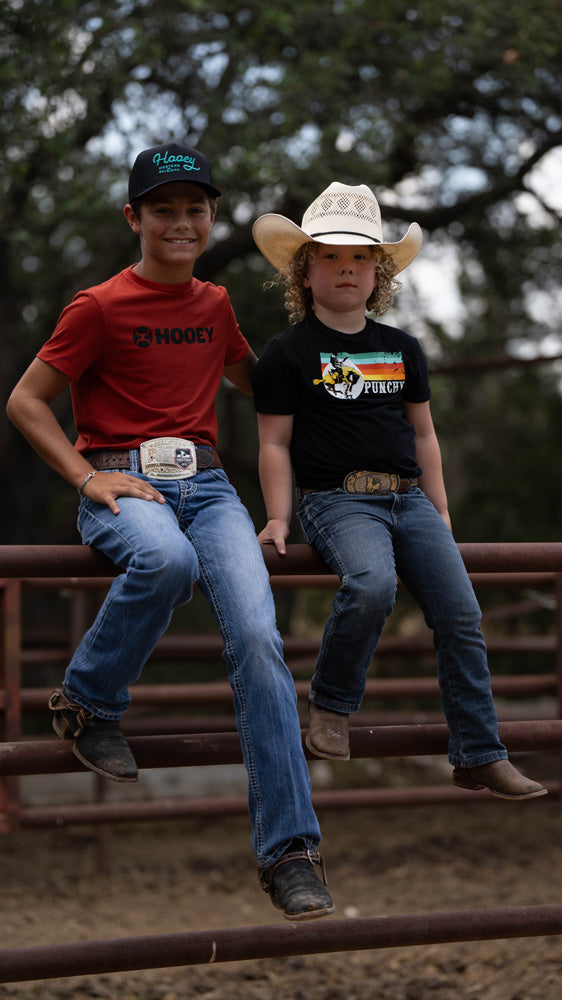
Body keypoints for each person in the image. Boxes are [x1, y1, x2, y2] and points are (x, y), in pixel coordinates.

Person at [6, 142, 336, 920]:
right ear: (135, 217)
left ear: (212, 216)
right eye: (164, 209)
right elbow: (24, 401)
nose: (181, 222)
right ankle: (88, 700)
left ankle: (291, 852)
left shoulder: (215, 306)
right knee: (165, 561)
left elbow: (263, 384)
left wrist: (344, 358)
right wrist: (87, 477)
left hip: (210, 484)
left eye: (195, 209)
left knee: (259, 637)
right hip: (123, 479)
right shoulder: (97, 307)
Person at [250, 181, 546, 801]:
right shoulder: (286, 353)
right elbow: (274, 443)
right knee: (372, 585)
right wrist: (277, 518)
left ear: (378, 274)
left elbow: (425, 433)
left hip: (409, 499)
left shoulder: (402, 349)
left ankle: (478, 752)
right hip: (337, 499)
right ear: (305, 273)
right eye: (330, 257)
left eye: (360, 258)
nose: (346, 268)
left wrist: (437, 507)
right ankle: (330, 706)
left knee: (462, 614)